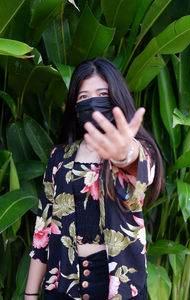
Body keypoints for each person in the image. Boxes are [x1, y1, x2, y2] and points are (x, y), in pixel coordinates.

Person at [25, 58, 163, 300]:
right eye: (83, 97)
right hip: (63, 283)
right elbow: (42, 231)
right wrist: (29, 294)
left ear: (116, 99)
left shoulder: (136, 149)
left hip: (118, 284)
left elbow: (143, 169)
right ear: (75, 107)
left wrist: (123, 155)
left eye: (102, 94)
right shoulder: (58, 157)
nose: (93, 102)